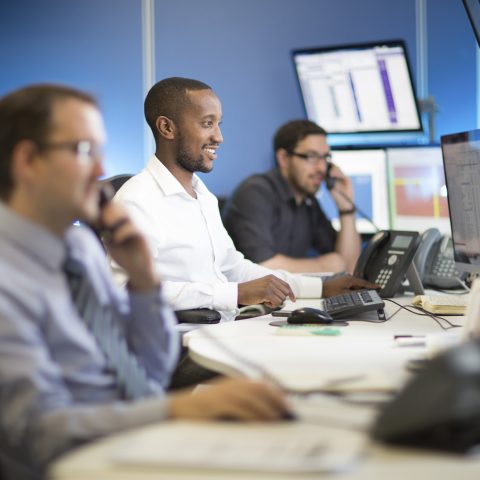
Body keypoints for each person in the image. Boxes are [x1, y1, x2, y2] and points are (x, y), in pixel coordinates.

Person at [0, 84, 291, 476]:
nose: (102, 171)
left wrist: (143, 280)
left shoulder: (80, 250)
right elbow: (36, 432)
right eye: (84, 151)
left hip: (131, 438)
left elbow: (147, 377)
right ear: (28, 160)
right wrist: (175, 410)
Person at [112, 77, 374, 321]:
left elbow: (235, 269)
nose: (219, 137)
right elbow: (125, 290)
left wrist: (320, 286)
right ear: (167, 127)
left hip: (222, 332)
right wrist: (234, 294)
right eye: (207, 123)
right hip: (176, 348)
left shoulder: (202, 196)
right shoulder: (137, 200)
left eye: (218, 124)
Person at [223, 119, 361, 274]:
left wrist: (346, 209)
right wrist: (324, 266)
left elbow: (349, 267)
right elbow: (262, 265)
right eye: (311, 156)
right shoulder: (255, 193)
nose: (322, 168)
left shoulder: (309, 203)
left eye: (325, 158)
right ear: (283, 158)